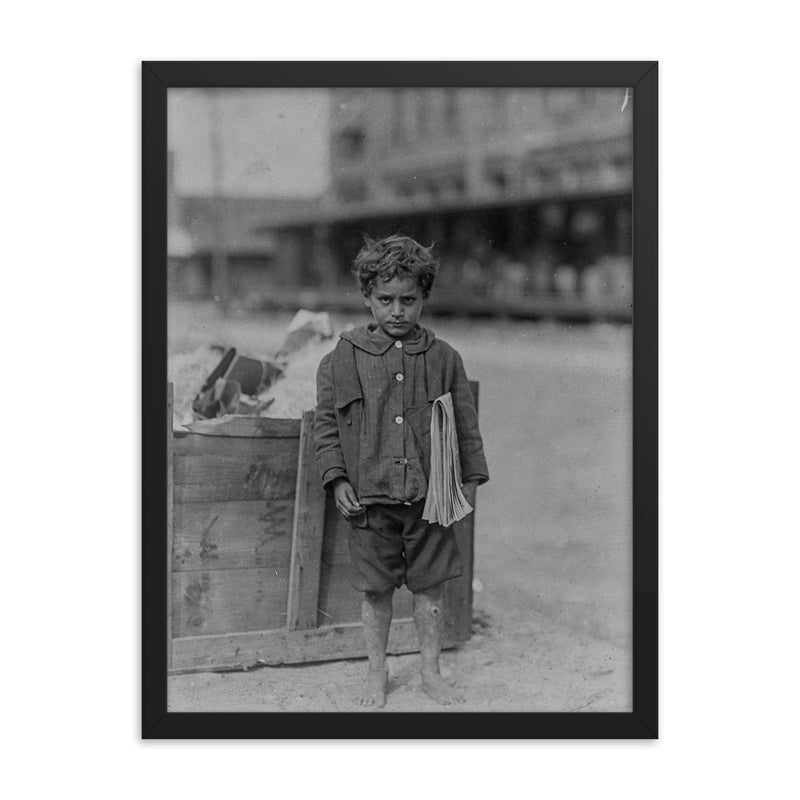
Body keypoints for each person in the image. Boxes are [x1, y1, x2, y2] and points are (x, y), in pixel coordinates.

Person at [314, 234, 489, 708]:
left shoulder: (444, 358)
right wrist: (337, 477)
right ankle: (377, 672)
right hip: (369, 501)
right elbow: (326, 425)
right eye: (385, 299)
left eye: (408, 300)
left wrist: (468, 482)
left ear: (424, 297)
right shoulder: (341, 358)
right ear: (366, 297)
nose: (396, 311)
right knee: (375, 591)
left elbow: (466, 426)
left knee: (431, 587)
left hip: (430, 499)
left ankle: (431, 671)